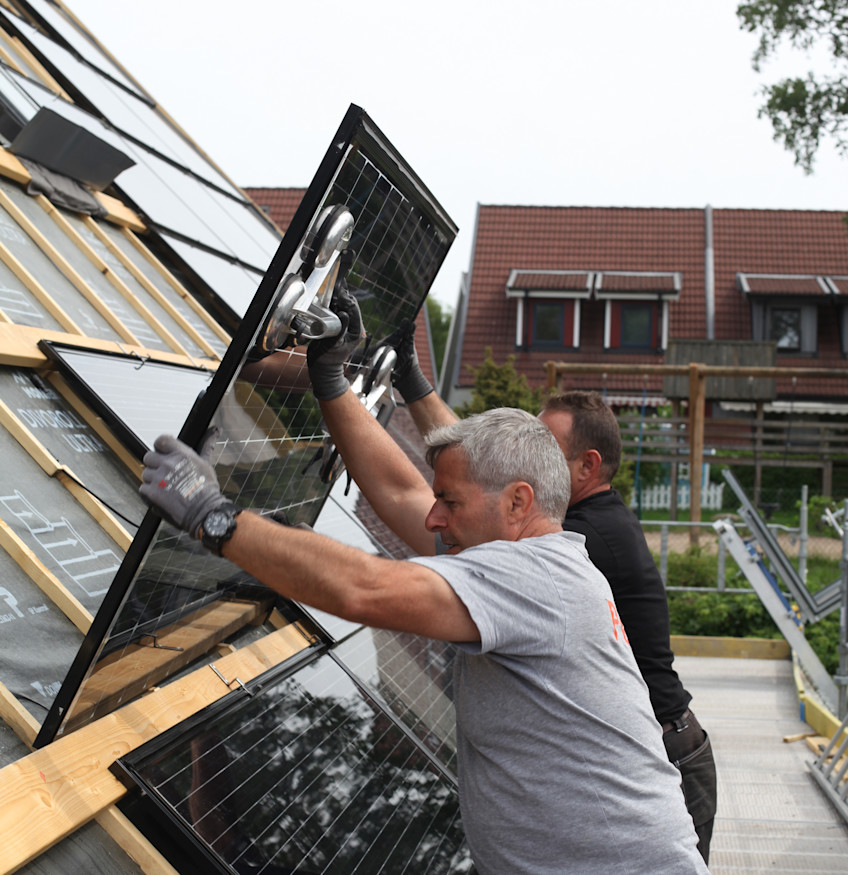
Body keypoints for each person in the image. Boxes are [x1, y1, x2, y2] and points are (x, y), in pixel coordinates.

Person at [139, 306, 708, 873]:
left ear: (518, 502)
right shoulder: (533, 554)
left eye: (452, 502)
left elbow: (365, 588)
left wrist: (214, 517)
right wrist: (332, 384)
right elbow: (402, 492)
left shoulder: (532, 579)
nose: (435, 520)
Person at [386, 323, 718, 863]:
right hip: (667, 744)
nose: (528, 455)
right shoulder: (569, 522)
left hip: (667, 757)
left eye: (545, 448)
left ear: (585, 466)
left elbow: (483, 481)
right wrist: (415, 382)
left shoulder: (580, 544)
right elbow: (481, 467)